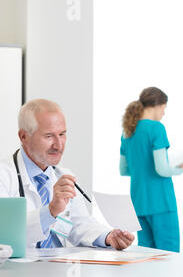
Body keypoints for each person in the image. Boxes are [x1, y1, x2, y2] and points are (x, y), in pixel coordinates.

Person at [0, 99, 134, 249]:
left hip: (59, 267)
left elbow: (79, 225)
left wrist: (108, 237)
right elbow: (5, 233)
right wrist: (50, 211)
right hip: (17, 270)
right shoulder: (4, 176)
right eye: (49, 136)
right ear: (23, 136)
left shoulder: (63, 176)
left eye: (62, 134)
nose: (59, 145)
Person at [120, 87, 183, 252]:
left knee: (147, 255)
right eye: (164, 108)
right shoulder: (157, 128)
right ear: (158, 105)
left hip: (138, 203)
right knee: (169, 254)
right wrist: (180, 168)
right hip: (161, 202)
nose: (164, 113)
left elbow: (123, 170)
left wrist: (142, 169)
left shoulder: (127, 132)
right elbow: (161, 169)